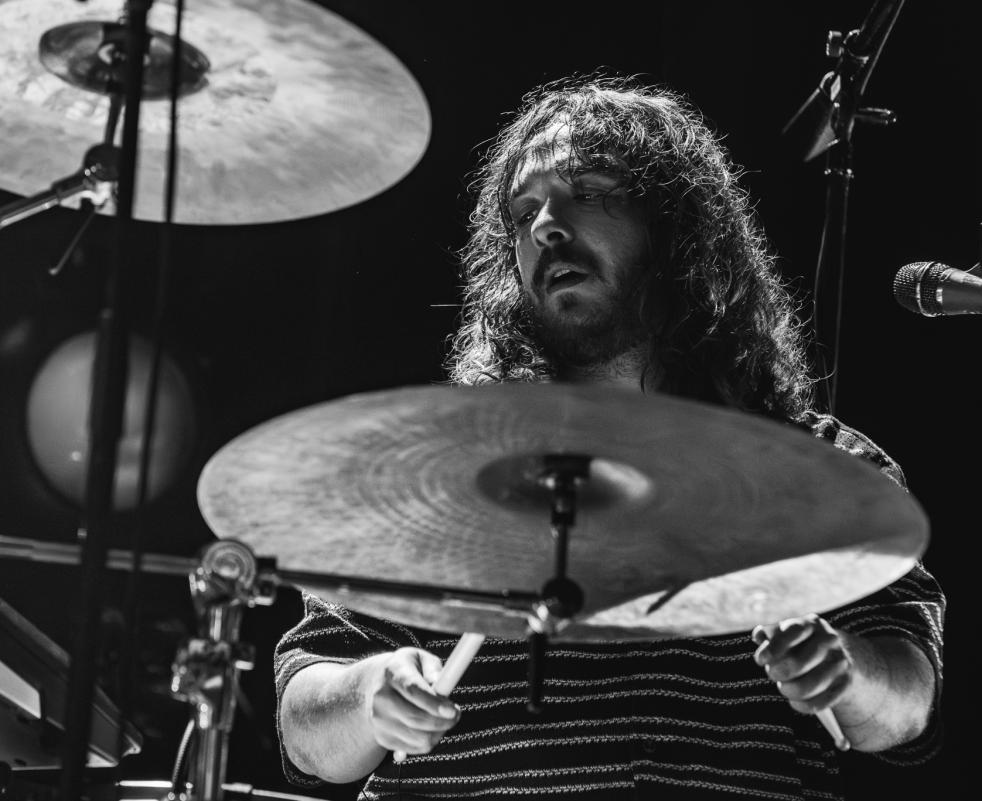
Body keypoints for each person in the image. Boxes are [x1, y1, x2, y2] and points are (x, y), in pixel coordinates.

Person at [274, 76, 945, 800]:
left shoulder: (818, 466)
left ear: (677, 228)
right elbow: (308, 732)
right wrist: (369, 691)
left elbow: (908, 703)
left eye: (588, 193)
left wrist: (846, 670)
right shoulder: (432, 470)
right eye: (522, 212)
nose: (545, 227)